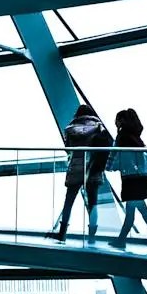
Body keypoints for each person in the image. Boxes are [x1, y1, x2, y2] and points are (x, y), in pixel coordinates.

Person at [50, 103, 112, 241]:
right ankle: (91, 235)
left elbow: (68, 149)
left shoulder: (70, 129)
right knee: (93, 202)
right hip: (93, 167)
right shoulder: (98, 128)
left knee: (69, 201)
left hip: (75, 168)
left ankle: (62, 232)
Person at [107, 108, 147, 248]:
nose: (115, 122)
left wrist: (110, 166)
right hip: (139, 178)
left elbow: (117, 158)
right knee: (135, 209)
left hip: (130, 178)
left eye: (118, 119)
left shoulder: (123, 137)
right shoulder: (135, 137)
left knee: (137, 209)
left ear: (122, 120)